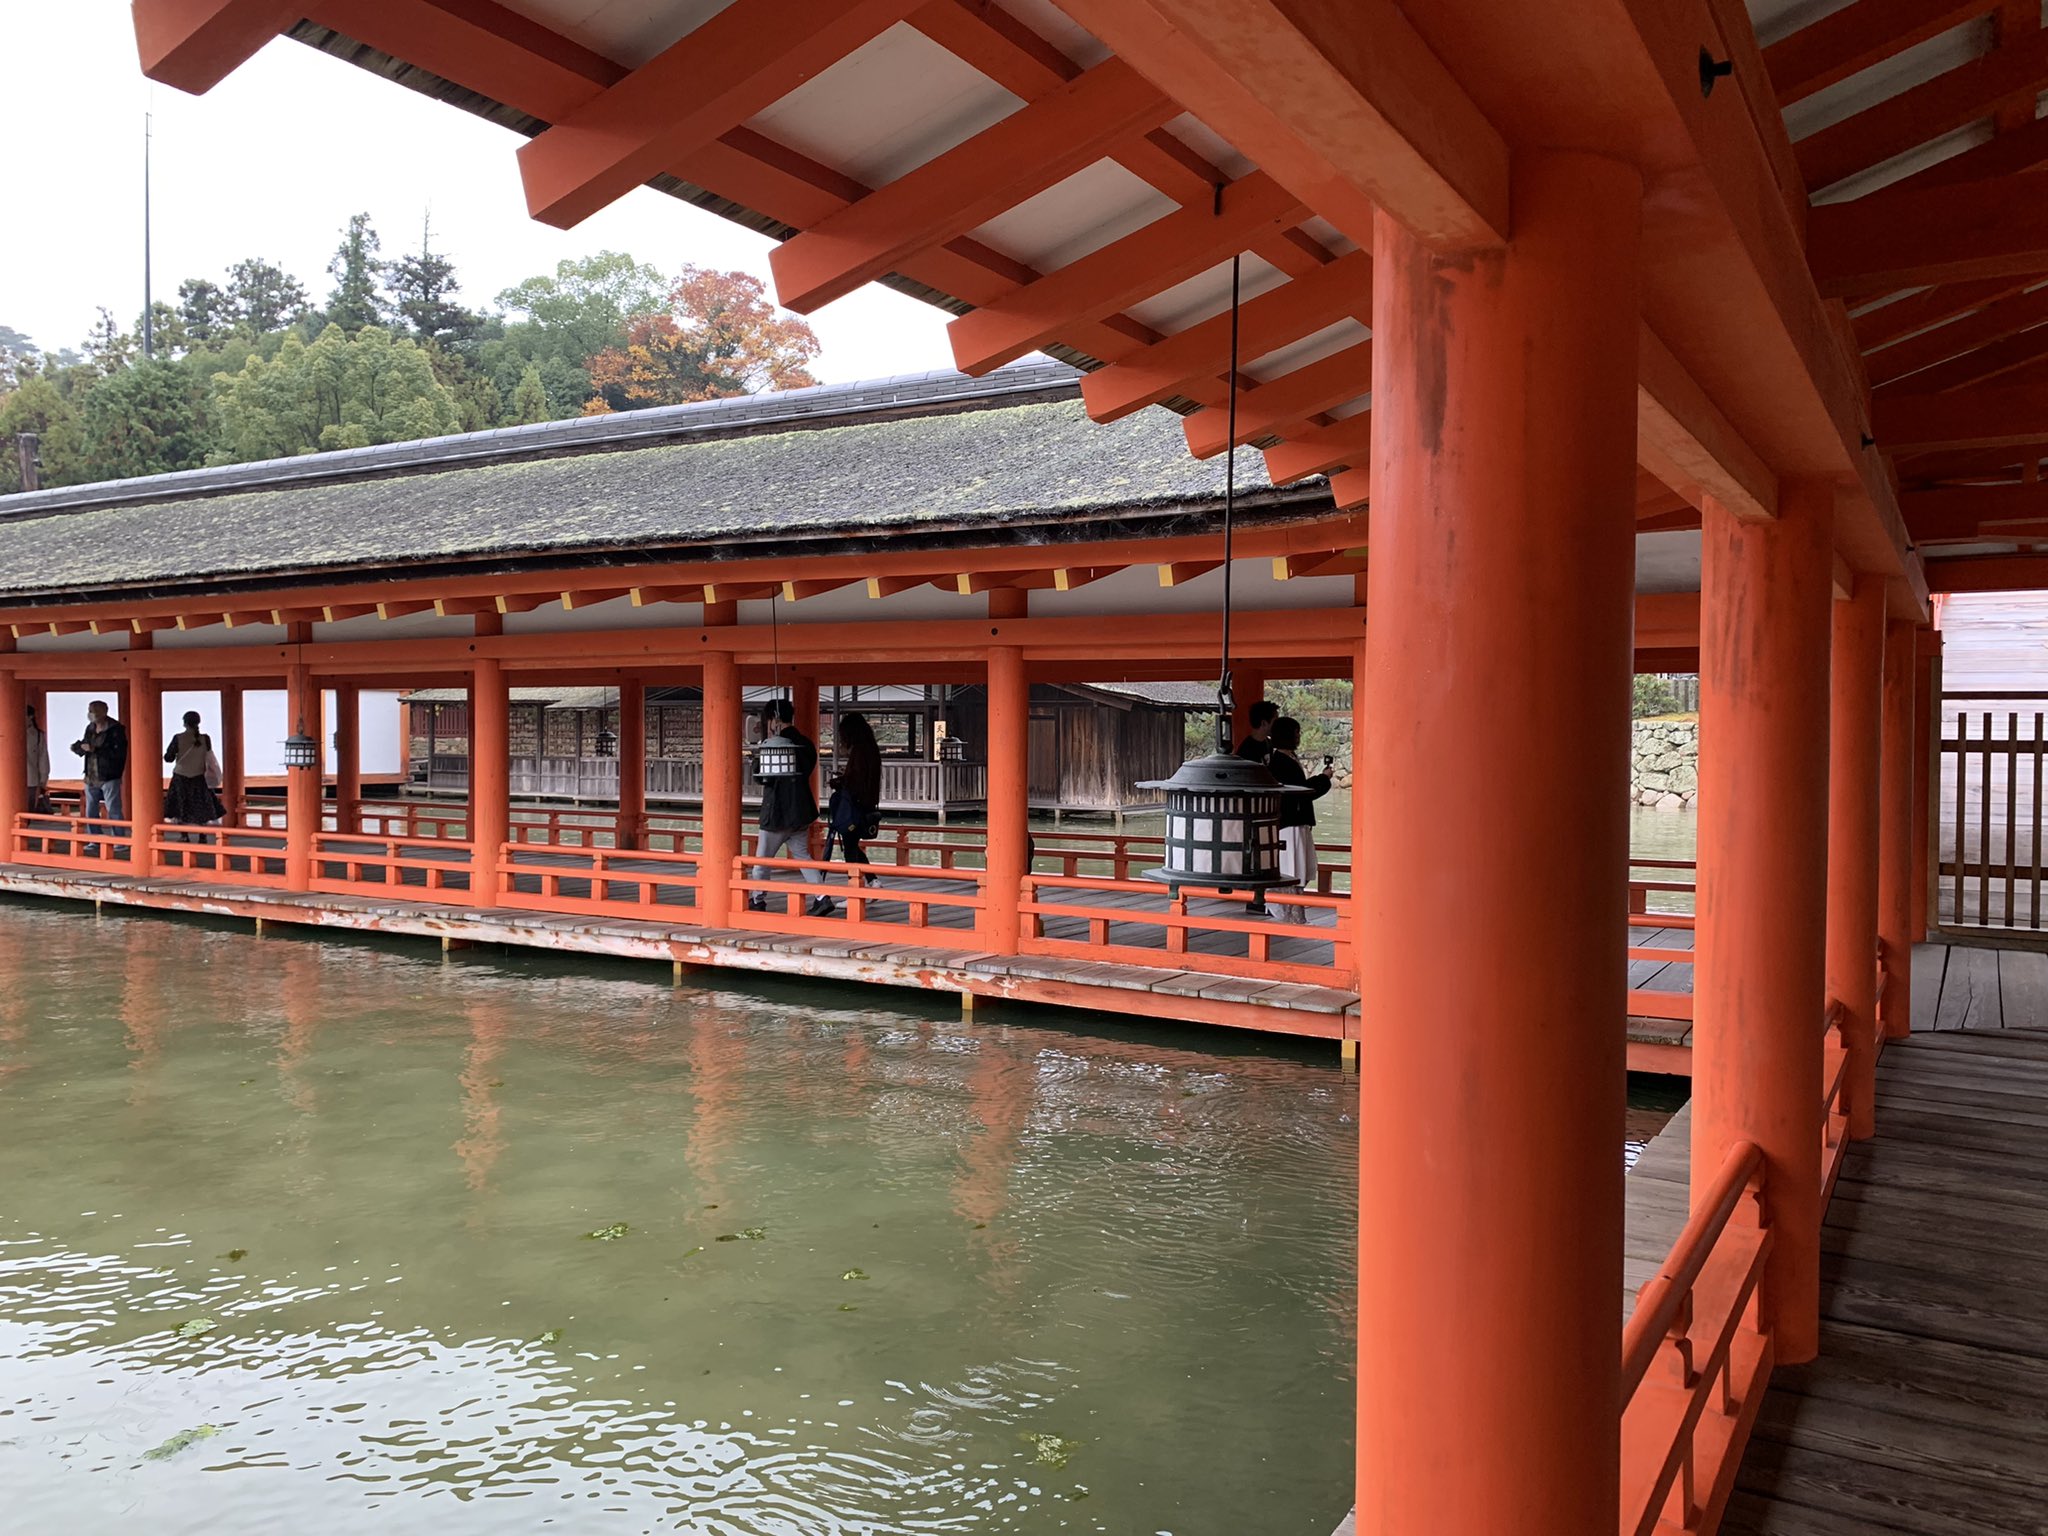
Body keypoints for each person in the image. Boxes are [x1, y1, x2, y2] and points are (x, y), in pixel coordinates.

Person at [745, 699, 823, 913]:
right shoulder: (806, 744)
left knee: (762, 860)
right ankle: (822, 896)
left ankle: (758, 899)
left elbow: (762, 776)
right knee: (803, 856)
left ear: (774, 719)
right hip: (801, 812)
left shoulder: (773, 745)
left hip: (777, 812)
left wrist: (758, 755)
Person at [1266, 716, 1331, 924]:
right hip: (1289, 824)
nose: (1298, 736)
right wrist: (1324, 779)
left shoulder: (1285, 759)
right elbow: (1301, 792)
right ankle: (1289, 916)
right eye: (1296, 732)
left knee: (1296, 870)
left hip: (1295, 823)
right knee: (1291, 871)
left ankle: (1294, 915)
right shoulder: (1281, 762)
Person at [818, 711, 883, 916]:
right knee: (852, 845)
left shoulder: (859, 751)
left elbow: (855, 782)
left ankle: (855, 891)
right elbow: (861, 778)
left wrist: (838, 782)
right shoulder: (871, 749)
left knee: (850, 849)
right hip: (867, 804)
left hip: (855, 807)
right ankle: (873, 881)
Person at [71, 700, 128, 849]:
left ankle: (119, 840)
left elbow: (118, 753)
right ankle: (94, 839)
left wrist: (95, 749)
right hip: (91, 774)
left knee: (113, 808)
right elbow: (86, 745)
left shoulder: (116, 729)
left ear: (104, 711)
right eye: (90, 710)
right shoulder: (90, 727)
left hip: (109, 775)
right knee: (91, 809)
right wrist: (79, 748)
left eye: (93, 710)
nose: (91, 713)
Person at [163, 711, 224, 826]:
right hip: (199, 777)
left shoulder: (178, 738)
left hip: (180, 777)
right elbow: (208, 755)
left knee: (180, 809)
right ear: (198, 722)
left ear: (184, 723)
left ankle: (183, 833)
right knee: (201, 810)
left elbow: (169, 758)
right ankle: (202, 833)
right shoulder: (205, 739)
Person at [24, 704, 51, 814]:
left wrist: (43, 779)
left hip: (31, 778)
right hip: (7, 777)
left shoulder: (38, 735)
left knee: (28, 808)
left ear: (30, 716)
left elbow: (43, 758)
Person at [1235, 699, 1279, 763]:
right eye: (1275, 721)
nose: (1278, 725)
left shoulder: (1268, 743)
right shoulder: (1246, 751)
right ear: (1264, 723)